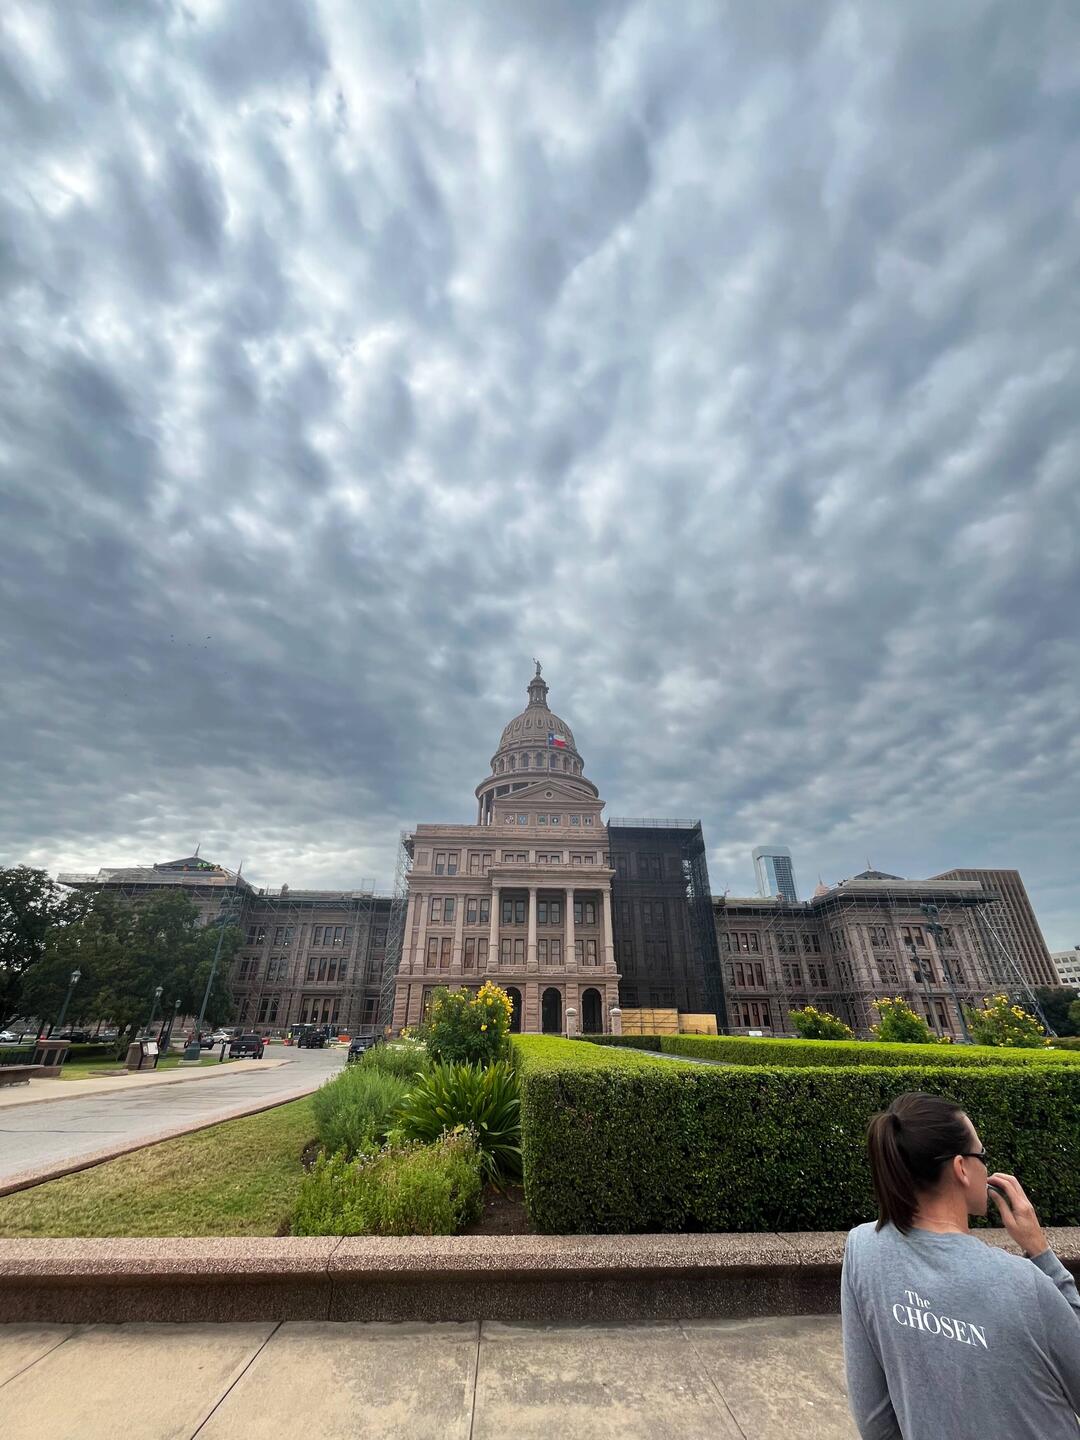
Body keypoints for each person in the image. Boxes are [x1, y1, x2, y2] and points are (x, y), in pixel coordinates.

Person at [842, 1090, 1080, 1439]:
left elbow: (874, 1420)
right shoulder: (1023, 1283)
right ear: (961, 1168)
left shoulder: (863, 1248)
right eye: (981, 1155)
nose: (986, 1167)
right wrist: (1042, 1253)